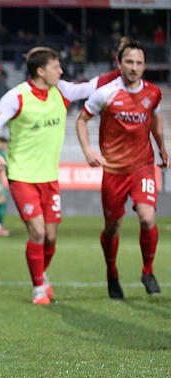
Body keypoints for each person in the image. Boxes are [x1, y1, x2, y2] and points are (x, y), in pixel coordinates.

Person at [0, 47, 119, 305]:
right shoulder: (16, 97)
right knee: (38, 232)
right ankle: (38, 289)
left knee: (51, 237)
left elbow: (92, 86)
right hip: (22, 176)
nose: (61, 71)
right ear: (41, 71)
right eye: (56, 67)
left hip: (49, 178)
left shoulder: (62, 90)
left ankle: (41, 274)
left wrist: (122, 70)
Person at [75, 38, 168, 299]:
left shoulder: (153, 93)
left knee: (147, 217)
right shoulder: (105, 93)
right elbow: (81, 121)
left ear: (144, 66)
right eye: (129, 61)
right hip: (114, 171)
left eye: (139, 62)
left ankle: (147, 271)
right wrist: (88, 151)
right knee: (112, 228)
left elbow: (155, 119)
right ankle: (112, 272)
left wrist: (161, 147)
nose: (134, 67)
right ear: (119, 63)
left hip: (143, 167)